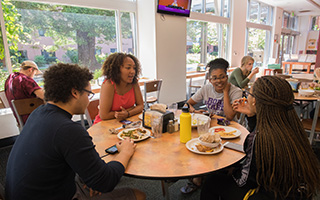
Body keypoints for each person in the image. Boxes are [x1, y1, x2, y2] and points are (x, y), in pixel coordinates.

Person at [5, 63, 146, 200]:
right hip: (55, 195)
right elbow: (106, 182)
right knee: (139, 195)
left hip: (24, 193)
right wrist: (125, 152)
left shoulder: (38, 113)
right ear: (75, 93)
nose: (88, 100)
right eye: (88, 94)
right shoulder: (68, 130)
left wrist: (91, 176)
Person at [201, 76, 320, 200]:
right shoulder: (291, 125)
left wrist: (234, 172)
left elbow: (245, 181)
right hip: (296, 192)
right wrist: (252, 115)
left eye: (249, 94)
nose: (246, 97)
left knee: (212, 181)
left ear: (254, 101)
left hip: (269, 194)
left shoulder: (260, 139)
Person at [181, 58, 242, 194]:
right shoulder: (206, 88)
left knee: (208, 148)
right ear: (209, 80)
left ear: (227, 77)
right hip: (211, 129)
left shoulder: (236, 91)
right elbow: (187, 104)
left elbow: (230, 116)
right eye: (214, 78)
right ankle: (198, 175)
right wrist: (195, 111)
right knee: (193, 143)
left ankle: (202, 176)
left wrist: (225, 92)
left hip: (231, 132)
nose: (218, 81)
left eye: (222, 77)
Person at [94, 53, 144, 124]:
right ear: (117, 69)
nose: (133, 71)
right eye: (128, 68)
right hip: (105, 124)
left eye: (134, 68)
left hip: (126, 122)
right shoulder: (109, 84)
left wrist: (127, 113)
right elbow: (104, 115)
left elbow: (141, 106)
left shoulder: (134, 83)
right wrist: (131, 109)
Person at [4, 60, 44, 124]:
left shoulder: (9, 79)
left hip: (21, 121)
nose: (33, 76)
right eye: (34, 73)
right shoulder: (26, 80)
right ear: (30, 70)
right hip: (33, 119)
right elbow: (44, 96)